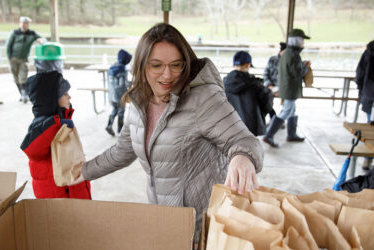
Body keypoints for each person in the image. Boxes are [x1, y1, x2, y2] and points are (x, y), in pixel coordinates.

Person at [70, 23, 263, 247]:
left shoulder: (203, 98)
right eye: (156, 65)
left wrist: (242, 156)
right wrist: (85, 171)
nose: (167, 74)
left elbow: (243, 139)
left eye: (176, 65)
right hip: (163, 216)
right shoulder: (138, 101)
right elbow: (123, 149)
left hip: (202, 222)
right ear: (142, 66)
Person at [20, 71, 91, 199]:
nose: (70, 97)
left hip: (73, 189)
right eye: (65, 94)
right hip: (58, 195)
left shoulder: (63, 120)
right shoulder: (41, 127)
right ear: (51, 100)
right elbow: (32, 151)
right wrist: (54, 124)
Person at [263, 28, 311, 148]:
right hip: (290, 89)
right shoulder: (292, 54)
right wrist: (306, 68)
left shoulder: (289, 53)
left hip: (289, 88)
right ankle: (269, 135)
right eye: (302, 41)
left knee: (292, 110)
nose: (303, 43)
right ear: (297, 41)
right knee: (286, 111)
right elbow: (297, 73)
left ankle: (291, 134)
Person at [223, 51, 273, 136]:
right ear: (248, 65)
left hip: (231, 126)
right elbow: (268, 104)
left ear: (234, 65)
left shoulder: (224, 82)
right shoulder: (256, 84)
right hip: (252, 127)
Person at [6, 16, 43, 103]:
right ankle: (22, 94)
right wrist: (9, 58)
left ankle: (24, 94)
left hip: (23, 59)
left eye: (26, 23)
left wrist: (40, 41)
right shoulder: (15, 33)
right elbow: (8, 45)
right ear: (20, 23)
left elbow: (41, 39)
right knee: (15, 77)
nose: (23, 25)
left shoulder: (32, 33)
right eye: (22, 23)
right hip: (13, 58)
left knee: (23, 76)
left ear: (28, 24)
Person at [356, 40, 374, 171]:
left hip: (370, 94)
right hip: (370, 94)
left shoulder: (369, 51)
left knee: (371, 129)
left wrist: (361, 91)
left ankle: (367, 160)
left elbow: (359, 73)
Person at [105, 49, 132, 136]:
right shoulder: (122, 70)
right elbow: (121, 85)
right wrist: (128, 84)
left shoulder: (112, 68)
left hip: (111, 95)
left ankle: (109, 125)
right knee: (121, 112)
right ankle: (120, 130)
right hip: (120, 96)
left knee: (114, 110)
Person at [263, 42, 287, 119]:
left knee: (288, 103)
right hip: (271, 87)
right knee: (264, 100)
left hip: (285, 88)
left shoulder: (290, 61)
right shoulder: (272, 59)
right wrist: (270, 86)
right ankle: (273, 117)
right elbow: (265, 74)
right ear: (281, 51)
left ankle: (280, 120)